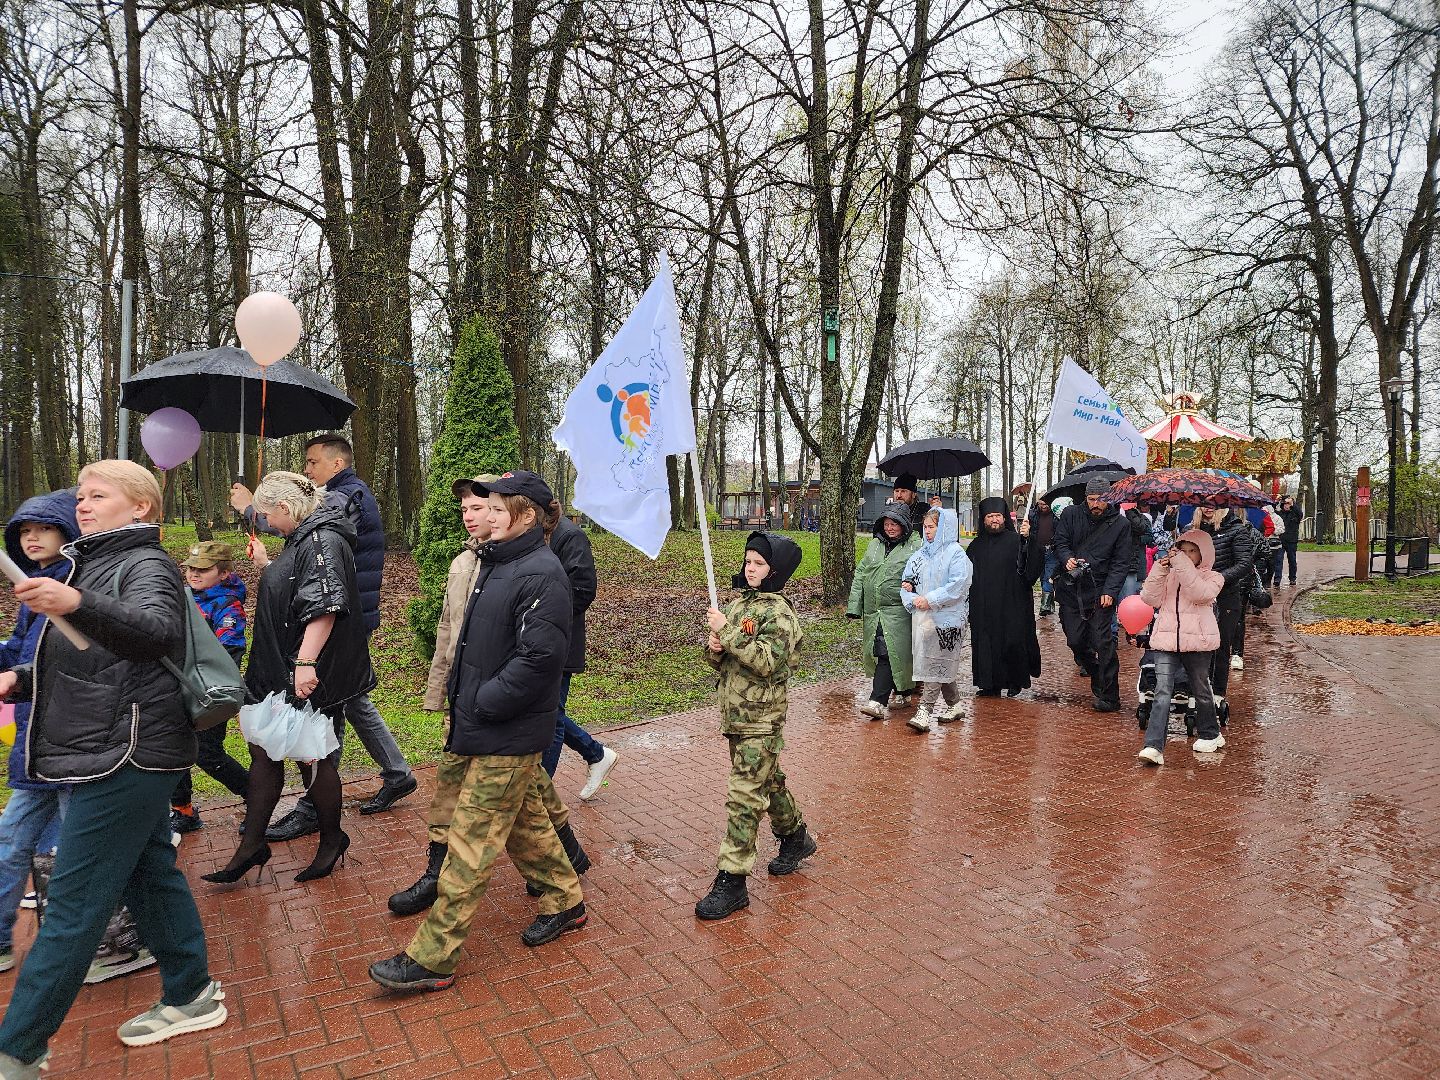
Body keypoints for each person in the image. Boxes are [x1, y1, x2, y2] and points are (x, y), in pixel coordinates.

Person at [0, 460, 226, 1071]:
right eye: (80, 496)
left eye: (99, 495)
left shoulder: (144, 564)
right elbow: (94, 662)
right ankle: (192, 992)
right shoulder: (90, 564)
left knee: (72, 907)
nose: (83, 505)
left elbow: (153, 633)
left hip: (128, 752)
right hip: (108, 746)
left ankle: (16, 1050)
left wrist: (74, 600)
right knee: (148, 872)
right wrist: (17, 679)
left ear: (142, 508)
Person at [368, 472, 584, 994]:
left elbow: (540, 658)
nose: (480, 514)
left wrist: (485, 701)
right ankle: (566, 898)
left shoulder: (541, 573)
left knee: (471, 842)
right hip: (480, 723)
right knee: (525, 822)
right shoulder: (496, 562)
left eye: (493, 507)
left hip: (506, 729)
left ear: (525, 515)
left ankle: (433, 956)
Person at [231, 434, 416, 839]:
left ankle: (316, 805)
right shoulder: (336, 496)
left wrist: (249, 509)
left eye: (313, 463)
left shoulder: (347, 498)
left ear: (336, 464)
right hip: (335, 615)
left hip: (338, 620)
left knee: (326, 707)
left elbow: (309, 536)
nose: (307, 471)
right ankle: (395, 772)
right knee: (350, 701)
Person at [204, 471, 375, 886]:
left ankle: (332, 838)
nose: (266, 522)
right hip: (277, 663)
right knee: (264, 750)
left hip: (302, 668)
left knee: (309, 755)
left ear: (285, 508)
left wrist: (305, 663)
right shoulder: (304, 538)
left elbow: (325, 605)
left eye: (266, 515)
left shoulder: (322, 540)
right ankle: (253, 844)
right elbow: (299, 586)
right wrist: (268, 566)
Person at [694, 532, 812, 920]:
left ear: (774, 570)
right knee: (768, 781)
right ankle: (795, 838)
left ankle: (732, 881)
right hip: (736, 717)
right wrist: (715, 648)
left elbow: (766, 662)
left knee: (744, 798)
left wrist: (726, 633)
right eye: (748, 561)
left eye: (758, 563)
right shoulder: (740, 604)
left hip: (762, 720)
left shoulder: (779, 613)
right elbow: (727, 661)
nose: (749, 568)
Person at [0, 490, 78, 978]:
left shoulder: (73, 584)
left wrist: (21, 674)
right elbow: (19, 650)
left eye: (43, 530)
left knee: (73, 848)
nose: (32, 539)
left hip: (71, 743)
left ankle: (83, 943)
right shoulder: (32, 588)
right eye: (24, 532)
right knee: (11, 839)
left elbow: (70, 657)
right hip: (35, 745)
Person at [168, 542, 251, 835]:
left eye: (203, 569)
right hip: (178, 686)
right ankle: (183, 810)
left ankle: (256, 798)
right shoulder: (183, 597)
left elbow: (229, 651)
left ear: (224, 572)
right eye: (191, 568)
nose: (194, 574)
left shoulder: (228, 604)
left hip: (210, 692)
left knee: (207, 754)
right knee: (175, 749)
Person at [545, 507, 618, 801]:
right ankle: (596, 753)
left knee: (550, 717)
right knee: (550, 712)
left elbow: (583, 589)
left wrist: (545, 618)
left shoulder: (569, 535)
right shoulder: (533, 533)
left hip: (560, 642)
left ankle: (538, 793)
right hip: (535, 641)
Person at [1136, 531, 1225, 766]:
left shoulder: (1213, 577)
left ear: (1202, 554)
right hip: (1166, 641)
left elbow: (1200, 594)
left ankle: (1210, 733)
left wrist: (1182, 565)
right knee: (1162, 690)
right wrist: (1159, 570)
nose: (1186, 555)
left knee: (1200, 689)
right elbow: (1149, 598)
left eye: (1192, 551)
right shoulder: (1170, 574)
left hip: (1197, 642)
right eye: (1182, 550)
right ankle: (1153, 746)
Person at [1052, 477, 1133, 713]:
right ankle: (1094, 669)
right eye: (1091, 499)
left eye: (1101, 500)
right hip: (1072, 588)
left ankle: (1110, 695)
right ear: (1085, 498)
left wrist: (1110, 590)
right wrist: (1066, 557)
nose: (1096, 504)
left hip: (1100, 590)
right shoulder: (1070, 515)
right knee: (1074, 640)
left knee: (1103, 642)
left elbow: (1121, 561)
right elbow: (1060, 541)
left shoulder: (1120, 525)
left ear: (1109, 499)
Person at [899, 508, 972, 730]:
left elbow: (958, 586)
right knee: (940, 664)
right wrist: (911, 597)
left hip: (949, 621)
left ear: (944, 528)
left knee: (935, 663)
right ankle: (955, 704)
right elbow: (906, 581)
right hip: (925, 619)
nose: (928, 531)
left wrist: (930, 599)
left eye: (932, 527)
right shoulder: (920, 555)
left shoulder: (956, 554)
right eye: (926, 527)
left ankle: (925, 712)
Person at [846, 506, 921, 719]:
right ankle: (904, 692)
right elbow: (861, 572)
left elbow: (923, 573)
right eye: (886, 524)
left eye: (894, 524)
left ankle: (877, 701)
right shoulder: (875, 545)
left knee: (889, 652)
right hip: (874, 612)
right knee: (885, 652)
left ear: (904, 524)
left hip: (899, 612)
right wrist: (854, 606)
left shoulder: (915, 546)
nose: (890, 528)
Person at [966, 497, 1045, 697]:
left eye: (998, 516)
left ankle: (1014, 681)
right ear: (983, 519)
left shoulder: (1016, 540)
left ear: (1004, 518)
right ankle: (988, 683)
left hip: (1012, 603)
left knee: (1012, 642)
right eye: (990, 516)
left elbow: (1032, 566)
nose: (994, 520)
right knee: (985, 643)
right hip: (983, 606)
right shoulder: (975, 546)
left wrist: (1029, 540)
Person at [1196, 507, 1256, 712]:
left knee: (1220, 646)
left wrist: (1219, 578)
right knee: (1196, 646)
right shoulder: (1192, 530)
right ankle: (1196, 690)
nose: (1208, 507)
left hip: (1226, 596)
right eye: (1204, 502)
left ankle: (1217, 693)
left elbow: (1244, 563)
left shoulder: (1236, 530)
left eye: (1214, 503)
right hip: (1198, 595)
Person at [1026, 497, 1058, 616]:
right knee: (1042, 575)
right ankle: (1050, 604)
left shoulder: (1056, 515)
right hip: (1037, 550)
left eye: (1046, 504)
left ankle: (1044, 606)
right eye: (1041, 504)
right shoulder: (1033, 514)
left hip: (1052, 549)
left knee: (1049, 576)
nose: (1043, 506)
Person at [1277, 495, 1302, 585]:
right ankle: (1277, 579)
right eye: (1285, 504)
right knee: (1278, 560)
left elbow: (1299, 513)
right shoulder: (1279, 514)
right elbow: (1271, 511)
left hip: (1292, 541)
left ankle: (1292, 578)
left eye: (1288, 504)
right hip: (1281, 540)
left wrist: (1292, 503)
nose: (1286, 506)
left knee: (1292, 560)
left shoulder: (1295, 514)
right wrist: (1276, 501)